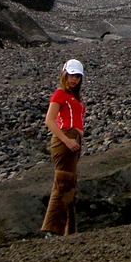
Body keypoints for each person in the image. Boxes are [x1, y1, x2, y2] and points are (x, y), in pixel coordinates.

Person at [41, 58, 86, 236]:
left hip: (73, 139)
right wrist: (67, 140)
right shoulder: (60, 94)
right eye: (71, 75)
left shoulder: (73, 97)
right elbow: (49, 120)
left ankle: (69, 229)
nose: (74, 79)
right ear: (64, 74)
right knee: (63, 181)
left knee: (69, 184)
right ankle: (51, 229)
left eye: (78, 77)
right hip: (65, 138)